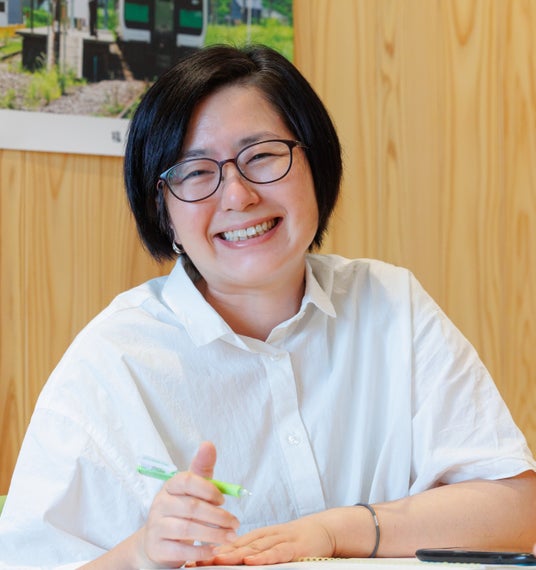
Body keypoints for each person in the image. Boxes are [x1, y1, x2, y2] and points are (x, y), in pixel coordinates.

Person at [0, 44, 535, 570]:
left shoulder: (391, 304)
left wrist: (332, 531)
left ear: (316, 165)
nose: (238, 195)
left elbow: (517, 508)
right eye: (195, 172)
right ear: (163, 212)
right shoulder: (112, 360)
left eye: (261, 156)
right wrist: (142, 552)